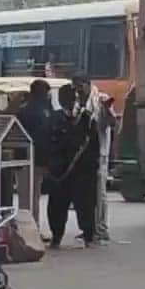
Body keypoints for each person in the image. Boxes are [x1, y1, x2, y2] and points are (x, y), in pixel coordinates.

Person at [47, 84, 98, 247]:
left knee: (86, 204)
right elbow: (50, 145)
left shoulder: (87, 119)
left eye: (73, 98)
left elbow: (94, 147)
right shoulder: (55, 119)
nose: (70, 102)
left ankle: (89, 235)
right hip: (60, 172)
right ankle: (56, 236)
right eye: (66, 99)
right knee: (57, 206)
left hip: (83, 171)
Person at [73, 74, 115, 245]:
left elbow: (113, 124)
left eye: (79, 86)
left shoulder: (101, 100)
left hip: (99, 155)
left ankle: (101, 229)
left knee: (99, 194)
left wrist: (106, 109)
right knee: (85, 195)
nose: (77, 91)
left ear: (87, 85)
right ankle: (88, 228)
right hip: (82, 156)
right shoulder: (77, 102)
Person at [18, 79, 53, 220]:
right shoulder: (42, 111)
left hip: (26, 158)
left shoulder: (23, 111)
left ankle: (31, 227)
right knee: (32, 195)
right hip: (34, 159)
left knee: (28, 196)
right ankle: (30, 227)